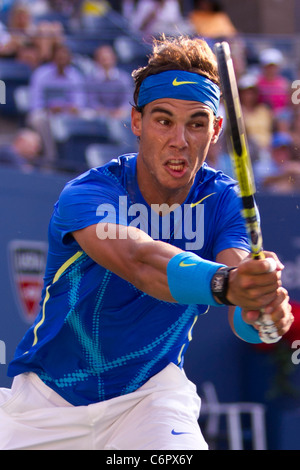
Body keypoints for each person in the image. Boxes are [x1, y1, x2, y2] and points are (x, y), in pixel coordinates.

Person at [0, 35, 293, 451]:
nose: (180, 139)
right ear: (137, 122)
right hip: (46, 403)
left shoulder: (224, 200)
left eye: (196, 122)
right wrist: (228, 284)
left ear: (216, 130)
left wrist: (263, 311)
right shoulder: (89, 194)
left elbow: (245, 314)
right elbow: (139, 260)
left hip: (151, 399)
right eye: (163, 120)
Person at [26, 42, 85, 163]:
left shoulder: (75, 76)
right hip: (46, 113)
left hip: (68, 114)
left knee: (90, 116)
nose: (62, 60)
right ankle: (50, 158)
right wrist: (50, 108)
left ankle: (77, 160)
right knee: (38, 119)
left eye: (64, 57)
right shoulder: (41, 74)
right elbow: (35, 103)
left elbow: (80, 103)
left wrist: (69, 108)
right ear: (53, 58)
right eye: (59, 57)